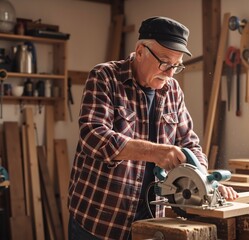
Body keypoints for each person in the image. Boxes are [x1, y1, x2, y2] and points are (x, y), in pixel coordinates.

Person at [68, 16, 239, 240]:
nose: (169, 73)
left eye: (176, 66)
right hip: (101, 217)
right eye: (165, 62)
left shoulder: (173, 90)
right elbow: (94, 135)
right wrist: (155, 152)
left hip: (151, 218)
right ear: (140, 51)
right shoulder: (105, 77)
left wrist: (205, 182)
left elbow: (189, 143)